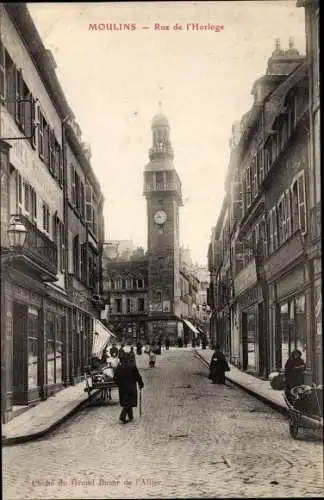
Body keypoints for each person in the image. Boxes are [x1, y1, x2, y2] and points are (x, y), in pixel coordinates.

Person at [113, 352, 144, 424]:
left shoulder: (119, 367)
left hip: (122, 387)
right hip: (131, 387)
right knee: (130, 401)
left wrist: (119, 383)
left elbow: (115, 378)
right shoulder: (132, 366)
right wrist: (140, 383)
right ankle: (123, 415)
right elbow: (137, 376)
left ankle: (130, 415)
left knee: (126, 401)